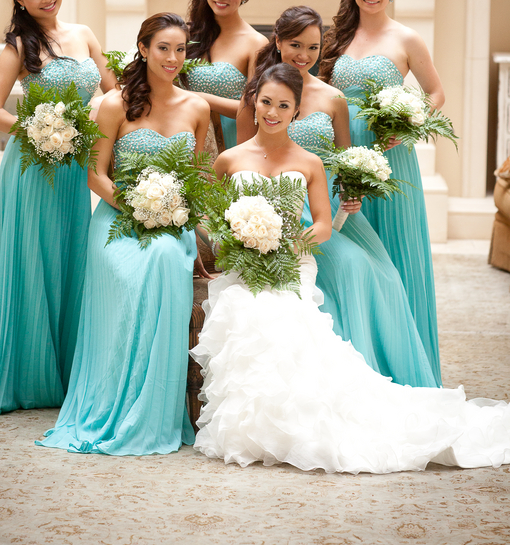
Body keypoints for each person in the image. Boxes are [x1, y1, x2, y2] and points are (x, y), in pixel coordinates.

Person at [193, 65, 510, 474]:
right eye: (266, 101)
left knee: (283, 322)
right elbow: (211, 217)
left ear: (295, 110)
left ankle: (302, 421)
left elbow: (323, 225)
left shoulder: (308, 162)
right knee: (243, 315)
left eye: (283, 105)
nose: (272, 112)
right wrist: (237, 241)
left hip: (292, 263)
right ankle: (252, 426)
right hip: (244, 267)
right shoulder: (229, 159)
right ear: (253, 102)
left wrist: (285, 244)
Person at [237, 6, 438, 386]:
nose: (303, 55)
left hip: (331, 209)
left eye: (312, 47)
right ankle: (328, 377)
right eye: (294, 44)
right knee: (348, 268)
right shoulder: (257, 96)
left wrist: (353, 193)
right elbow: (246, 159)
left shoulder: (333, 98)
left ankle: (372, 377)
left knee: (383, 275)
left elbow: (346, 161)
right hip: (277, 208)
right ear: (277, 43)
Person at [37, 13, 210, 456]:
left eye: (180, 49)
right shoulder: (115, 103)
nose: (172, 58)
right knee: (131, 270)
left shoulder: (197, 107)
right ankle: (111, 396)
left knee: (167, 260)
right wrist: (136, 208)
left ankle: (154, 408)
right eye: (163, 48)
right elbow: (94, 174)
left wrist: (172, 213)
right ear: (144, 49)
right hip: (116, 219)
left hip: (171, 221)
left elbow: (194, 175)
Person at [0, 0, 115, 414]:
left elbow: (113, 90)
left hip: (71, 172)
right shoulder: (19, 46)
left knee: (67, 258)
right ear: (18, 0)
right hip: (31, 168)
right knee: (31, 261)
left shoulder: (83, 34)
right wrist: (42, 129)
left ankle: (64, 372)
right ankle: (25, 376)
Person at [320, 0, 442, 383]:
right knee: (350, 253)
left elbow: (435, 93)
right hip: (341, 153)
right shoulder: (334, 38)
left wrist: (408, 127)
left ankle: (409, 365)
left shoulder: (407, 39)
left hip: (389, 158)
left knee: (394, 248)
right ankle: (361, 364)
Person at [186, 0, 267, 149]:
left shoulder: (256, 42)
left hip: (233, 138)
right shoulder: (188, 35)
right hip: (188, 133)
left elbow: (256, 108)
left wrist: (199, 97)